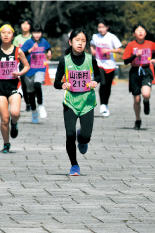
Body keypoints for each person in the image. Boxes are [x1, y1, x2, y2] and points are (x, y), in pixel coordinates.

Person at [54, 28, 101, 176]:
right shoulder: (64, 60)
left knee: (85, 137)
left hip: (87, 102)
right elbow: (56, 82)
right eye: (77, 40)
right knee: (69, 134)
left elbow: (99, 76)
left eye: (83, 41)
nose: (80, 43)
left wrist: (95, 82)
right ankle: (74, 165)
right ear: (70, 42)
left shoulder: (90, 59)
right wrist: (62, 85)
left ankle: (82, 137)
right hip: (70, 102)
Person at [0, 24, 30, 153]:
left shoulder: (18, 51)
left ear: (12, 35)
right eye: (3, 32)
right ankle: (6, 143)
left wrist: (20, 73)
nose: (6, 35)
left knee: (14, 113)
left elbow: (26, 66)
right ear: (0, 35)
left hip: (14, 84)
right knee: (4, 118)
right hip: (0, 85)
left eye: (9, 33)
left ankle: (14, 124)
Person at [122, 23, 155, 130]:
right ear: (134, 34)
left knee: (146, 94)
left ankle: (146, 102)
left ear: (145, 33)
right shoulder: (130, 45)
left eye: (142, 30)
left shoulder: (150, 44)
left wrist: (154, 59)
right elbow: (125, 61)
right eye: (138, 30)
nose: (140, 32)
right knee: (136, 99)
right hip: (134, 71)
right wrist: (135, 55)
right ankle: (138, 120)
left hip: (146, 70)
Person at [90, 19, 122, 117]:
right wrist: (92, 50)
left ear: (107, 27)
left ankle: (106, 105)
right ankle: (102, 105)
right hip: (99, 64)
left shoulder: (112, 37)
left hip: (110, 65)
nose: (100, 29)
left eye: (103, 27)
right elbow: (91, 44)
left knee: (107, 86)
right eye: (99, 27)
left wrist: (108, 50)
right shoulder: (95, 36)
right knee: (102, 83)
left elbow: (119, 49)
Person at [21, 23, 51, 123]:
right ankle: (34, 112)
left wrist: (49, 52)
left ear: (41, 33)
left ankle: (41, 105)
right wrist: (31, 49)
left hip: (40, 69)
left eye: (39, 33)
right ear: (31, 33)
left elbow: (48, 47)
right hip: (29, 71)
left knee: (38, 84)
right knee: (30, 93)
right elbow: (20, 54)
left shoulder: (43, 41)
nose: (37, 35)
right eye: (35, 33)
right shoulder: (28, 42)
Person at [13, 19, 32, 112]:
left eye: (27, 24)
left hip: (33, 63)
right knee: (24, 83)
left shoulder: (33, 38)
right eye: (23, 23)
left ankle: (33, 100)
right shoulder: (17, 39)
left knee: (33, 84)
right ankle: (27, 103)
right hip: (22, 64)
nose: (25, 25)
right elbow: (14, 52)